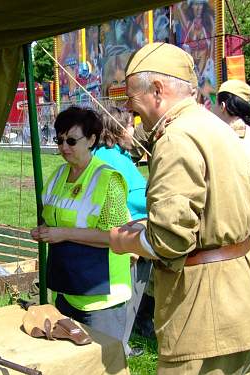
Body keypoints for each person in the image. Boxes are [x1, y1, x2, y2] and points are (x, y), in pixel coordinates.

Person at [105, 43, 250, 374]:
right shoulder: (216, 126)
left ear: (157, 90)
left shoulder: (177, 138)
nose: (129, 108)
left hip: (208, 314)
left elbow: (169, 241)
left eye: (131, 96)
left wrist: (123, 240)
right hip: (246, 302)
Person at [30, 106, 132, 345]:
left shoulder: (108, 179)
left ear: (92, 140)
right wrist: (45, 230)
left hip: (102, 297)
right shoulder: (57, 175)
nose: (64, 147)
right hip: (67, 289)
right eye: (60, 140)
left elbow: (115, 236)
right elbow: (53, 216)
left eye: (72, 140)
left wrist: (63, 234)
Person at [93, 107, 151, 356]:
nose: (134, 131)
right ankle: (119, 348)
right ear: (117, 130)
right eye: (130, 126)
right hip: (127, 236)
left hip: (128, 234)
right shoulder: (112, 159)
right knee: (128, 295)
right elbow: (134, 198)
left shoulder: (117, 155)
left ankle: (119, 343)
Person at [212, 79, 250, 251]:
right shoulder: (244, 134)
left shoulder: (234, 136)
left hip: (236, 224)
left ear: (223, 106)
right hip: (245, 220)